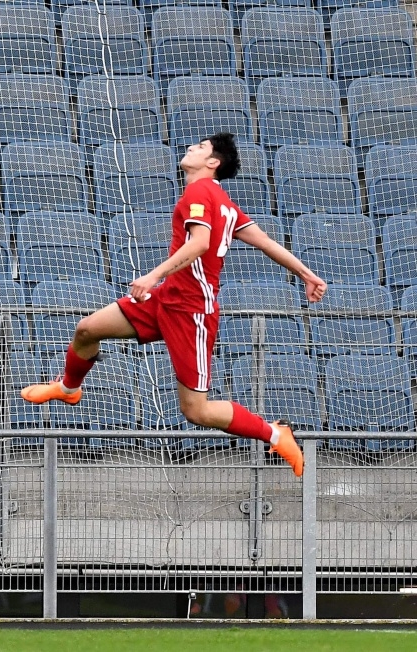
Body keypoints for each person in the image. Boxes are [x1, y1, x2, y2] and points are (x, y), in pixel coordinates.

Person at [21, 133, 327, 476]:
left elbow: (200, 243)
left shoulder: (201, 191)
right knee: (88, 329)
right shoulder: (222, 201)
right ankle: (68, 389)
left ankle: (275, 433)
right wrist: (307, 274)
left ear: (213, 162)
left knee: (196, 411)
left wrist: (152, 275)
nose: (191, 147)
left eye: (201, 147)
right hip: (166, 299)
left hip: (191, 311)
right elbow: (267, 242)